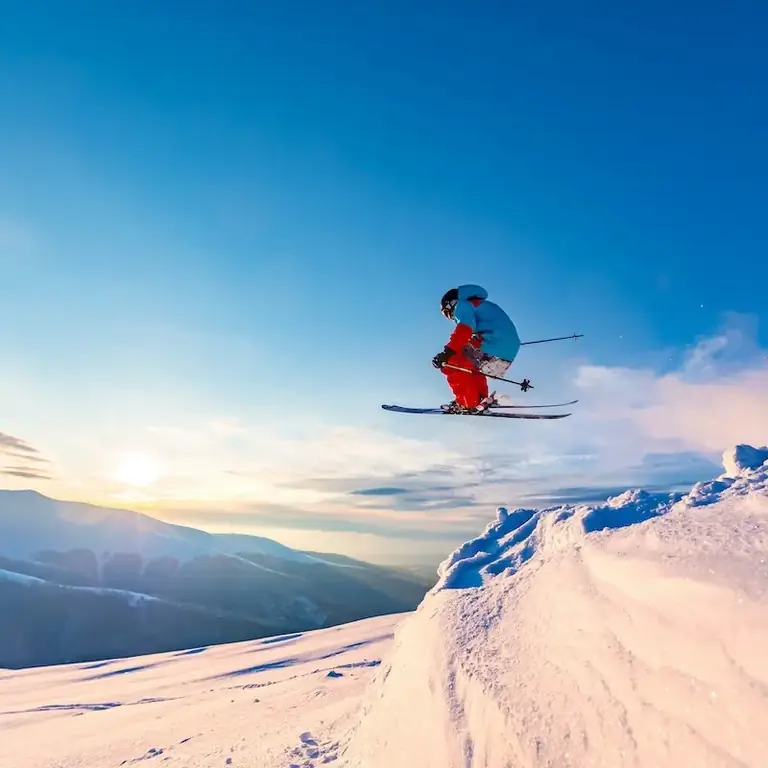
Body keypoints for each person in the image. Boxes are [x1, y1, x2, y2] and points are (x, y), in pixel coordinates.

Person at [432, 284, 521, 413]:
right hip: (506, 353)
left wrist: (447, 352)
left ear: (451, 304)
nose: (450, 317)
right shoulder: (481, 305)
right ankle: (480, 399)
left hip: (492, 350)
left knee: (450, 362)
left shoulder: (462, 305)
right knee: (469, 364)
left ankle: (467, 403)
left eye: (447, 313)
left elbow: (465, 328)